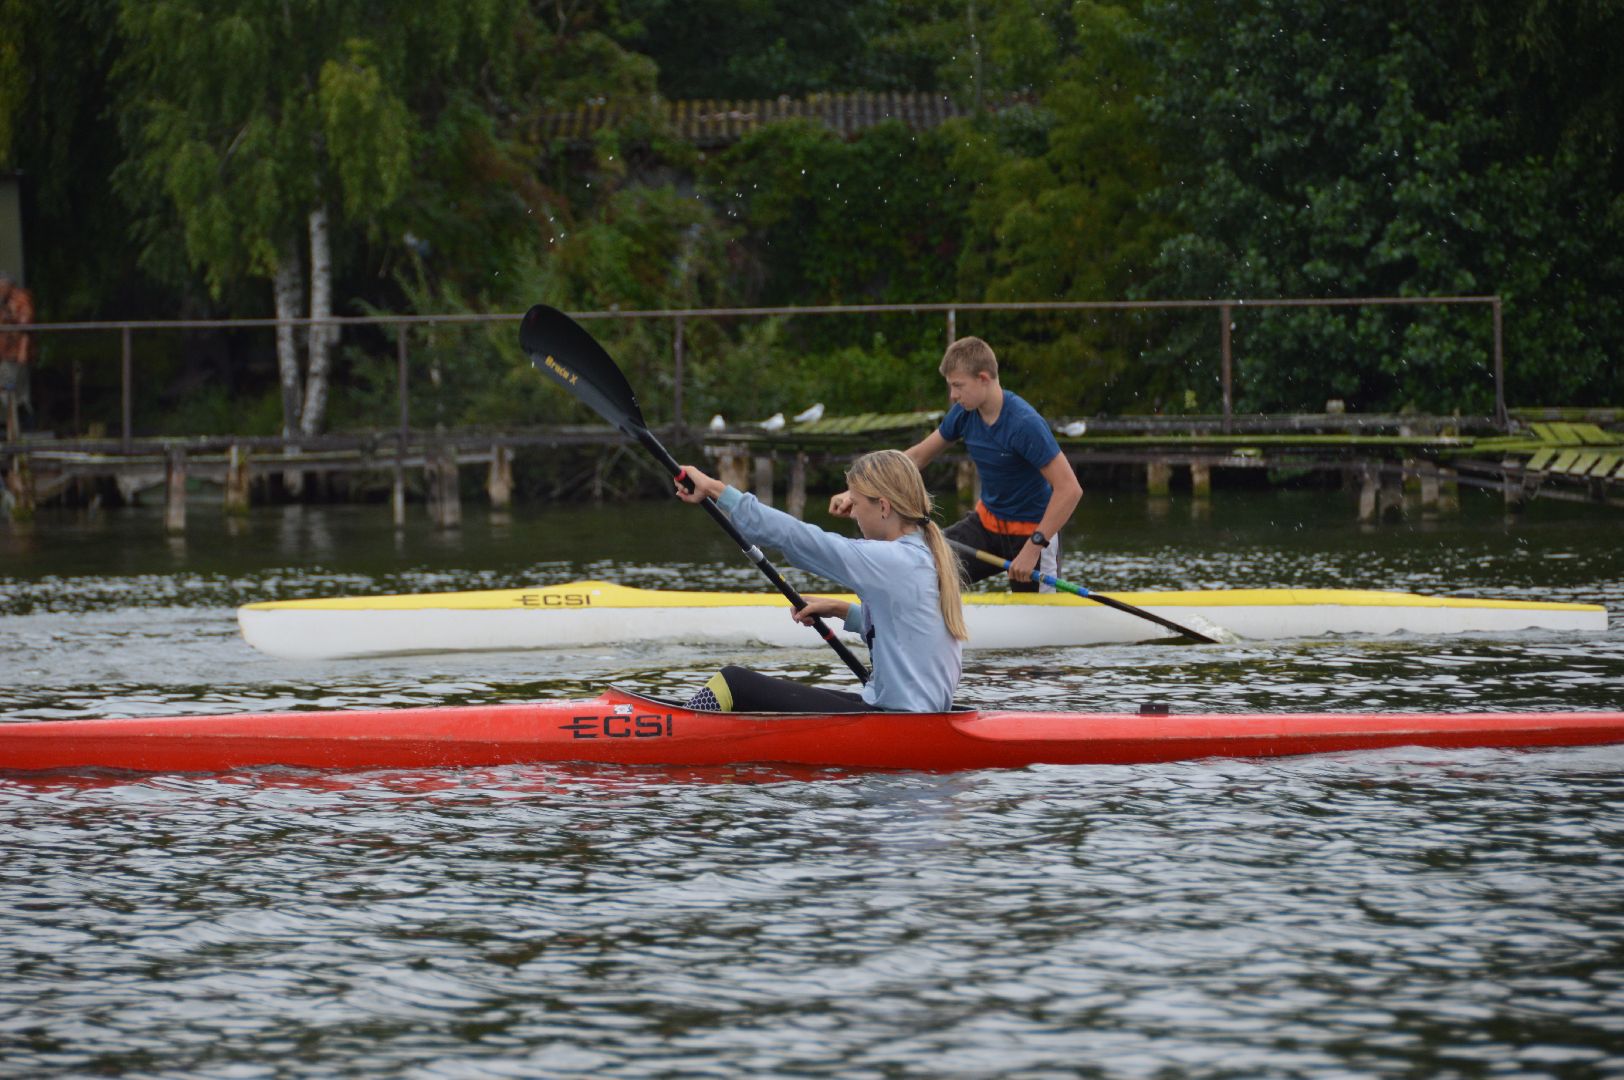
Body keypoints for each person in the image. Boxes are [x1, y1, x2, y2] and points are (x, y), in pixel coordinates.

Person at [673, 449, 967, 713]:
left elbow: (802, 539)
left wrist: (717, 490)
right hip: (915, 714)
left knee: (733, 683)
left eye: (856, 503)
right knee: (745, 693)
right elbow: (907, 633)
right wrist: (841, 610)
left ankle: (673, 735)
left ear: (884, 507)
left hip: (900, 721)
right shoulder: (924, 554)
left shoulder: (893, 560)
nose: (853, 514)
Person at [831, 336, 1082, 592]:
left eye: (958, 385)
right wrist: (857, 492)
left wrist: (1033, 548)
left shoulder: (1024, 424)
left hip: (1033, 535)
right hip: (987, 526)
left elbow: (1069, 489)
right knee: (922, 568)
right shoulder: (965, 413)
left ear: (983, 378)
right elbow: (917, 457)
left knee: (1034, 626)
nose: (953, 395)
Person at [0, 273, 33, 441]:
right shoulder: (4, 303)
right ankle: (15, 431)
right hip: (5, 354)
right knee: (10, 393)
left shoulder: (19, 300)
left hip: (14, 355)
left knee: (14, 393)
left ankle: (23, 431)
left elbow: (24, 324)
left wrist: (22, 352)